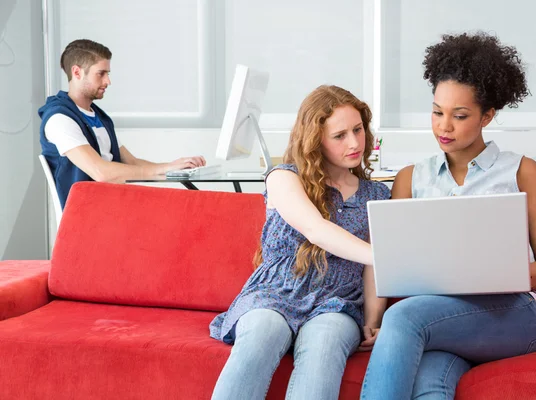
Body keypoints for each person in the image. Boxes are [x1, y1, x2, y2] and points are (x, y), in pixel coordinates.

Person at [360, 32, 536, 399]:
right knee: (430, 382)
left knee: (404, 318)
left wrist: (493, 273)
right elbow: (386, 260)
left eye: (459, 115)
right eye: (437, 112)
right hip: (441, 318)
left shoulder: (522, 171)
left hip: (512, 314)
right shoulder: (411, 178)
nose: (444, 126)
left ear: (488, 115)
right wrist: (371, 321)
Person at [209, 85, 390, 400]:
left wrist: (373, 321)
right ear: (315, 141)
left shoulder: (376, 195)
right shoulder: (284, 178)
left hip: (338, 301)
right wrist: (387, 255)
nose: (354, 142)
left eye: (358, 130)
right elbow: (317, 230)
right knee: (262, 333)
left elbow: (370, 269)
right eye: (340, 135)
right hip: (274, 292)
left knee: (324, 345)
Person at [39, 39, 206, 209]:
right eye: (101, 73)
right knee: (180, 210)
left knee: (191, 206)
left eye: (108, 74)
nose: (107, 82)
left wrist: (171, 169)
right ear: (77, 72)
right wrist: (160, 171)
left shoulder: (99, 116)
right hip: (88, 213)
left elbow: (131, 163)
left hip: (115, 205)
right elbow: (101, 173)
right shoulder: (59, 119)